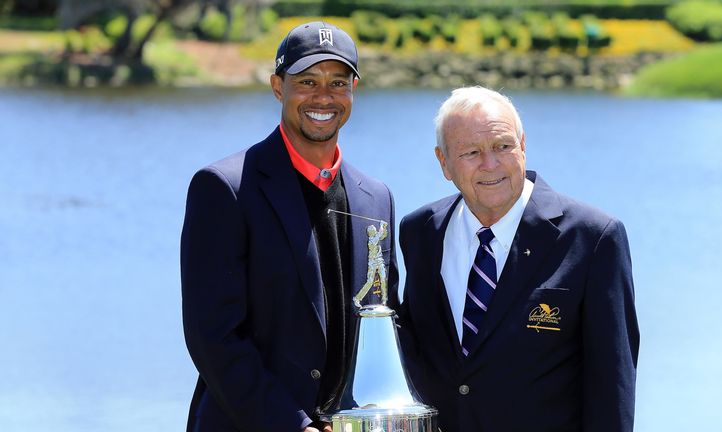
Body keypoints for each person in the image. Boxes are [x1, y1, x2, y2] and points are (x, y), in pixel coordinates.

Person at [180, 21, 398, 432]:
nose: (324, 97)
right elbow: (213, 338)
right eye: (307, 81)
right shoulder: (224, 188)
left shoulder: (377, 198)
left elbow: (386, 323)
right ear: (278, 86)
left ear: (354, 90)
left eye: (338, 82)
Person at [397, 86, 639, 431]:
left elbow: (612, 386)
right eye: (471, 152)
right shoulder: (420, 232)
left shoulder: (593, 238)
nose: (490, 163)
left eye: (503, 146)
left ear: (523, 145)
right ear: (444, 162)